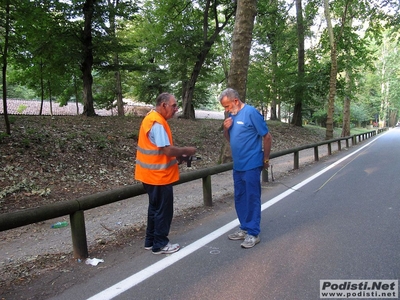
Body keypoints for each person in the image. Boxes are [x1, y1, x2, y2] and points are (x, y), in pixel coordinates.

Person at [135, 92, 196, 254]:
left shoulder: (151, 118)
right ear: (163, 105)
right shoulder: (157, 123)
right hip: (159, 177)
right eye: (174, 105)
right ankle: (160, 244)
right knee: (163, 210)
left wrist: (179, 157)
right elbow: (167, 149)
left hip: (148, 175)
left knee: (154, 209)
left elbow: (158, 150)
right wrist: (186, 150)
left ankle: (150, 240)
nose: (176, 109)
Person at [219, 88, 272, 249]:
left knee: (252, 197)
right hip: (238, 164)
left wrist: (266, 159)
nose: (226, 110)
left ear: (235, 101)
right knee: (240, 197)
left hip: (252, 163)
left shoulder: (251, 113)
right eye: (225, 108)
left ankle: (253, 233)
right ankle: (244, 227)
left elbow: (267, 136)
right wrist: (226, 129)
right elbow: (230, 139)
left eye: (227, 106)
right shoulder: (231, 116)